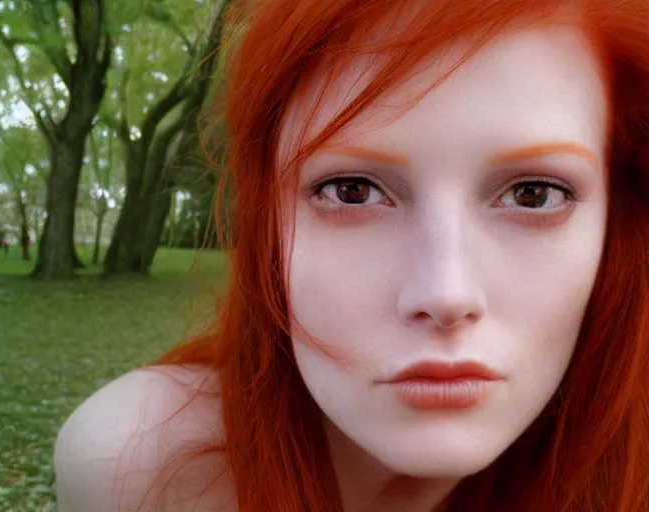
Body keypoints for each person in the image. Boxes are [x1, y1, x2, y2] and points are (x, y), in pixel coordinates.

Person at [53, 0, 649, 510]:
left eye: (533, 194)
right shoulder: (144, 467)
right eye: (353, 190)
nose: (445, 293)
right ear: (269, 228)